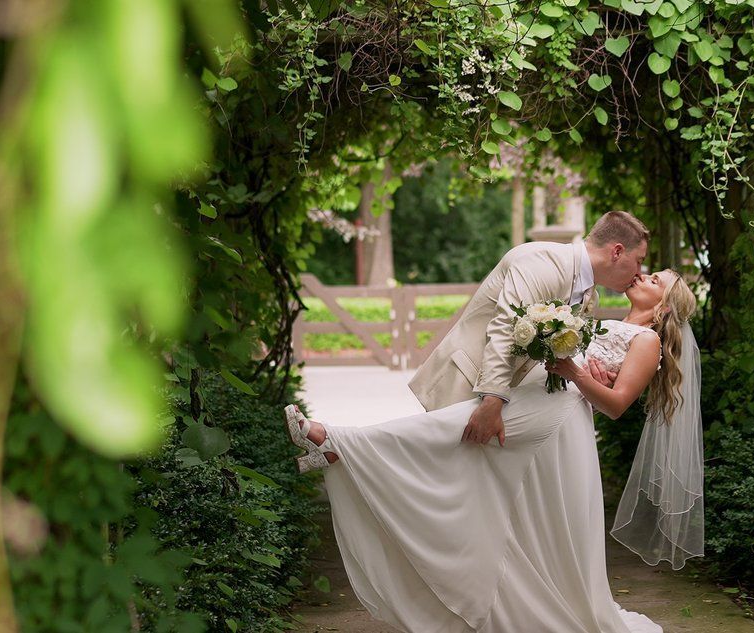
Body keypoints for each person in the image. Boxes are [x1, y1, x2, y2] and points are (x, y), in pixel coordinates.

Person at [283, 212, 704, 632]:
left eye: (651, 276)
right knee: (478, 477)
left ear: (663, 304)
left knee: (459, 448)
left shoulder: (633, 329)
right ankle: (345, 447)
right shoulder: (547, 267)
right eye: (641, 263)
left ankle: (341, 442)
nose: (640, 272)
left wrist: (574, 372)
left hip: (554, 413)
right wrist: (512, 391)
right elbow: (510, 330)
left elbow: (611, 399)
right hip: (522, 394)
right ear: (617, 251)